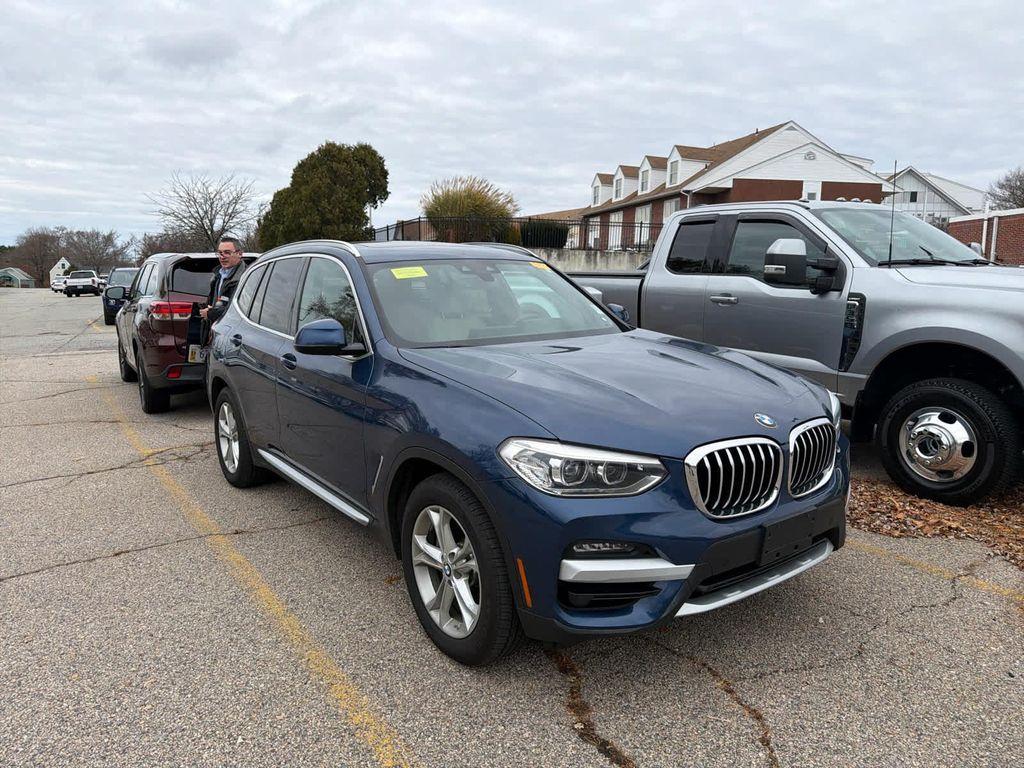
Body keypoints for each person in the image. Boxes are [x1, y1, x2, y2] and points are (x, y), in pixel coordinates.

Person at [201, 236, 247, 327]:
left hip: (235, 333)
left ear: (240, 254)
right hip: (217, 330)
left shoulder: (246, 277)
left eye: (227, 253)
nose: (222, 257)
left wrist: (212, 313)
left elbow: (243, 309)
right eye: (220, 253)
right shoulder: (217, 275)